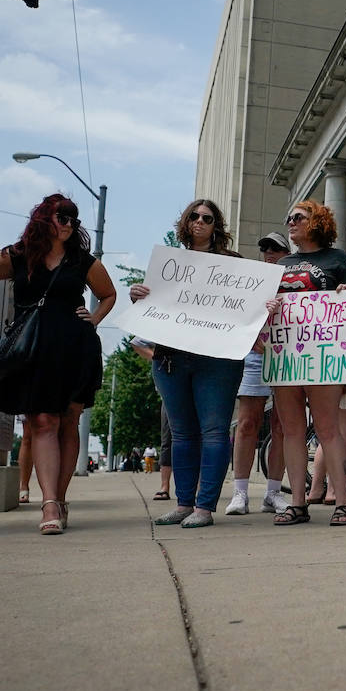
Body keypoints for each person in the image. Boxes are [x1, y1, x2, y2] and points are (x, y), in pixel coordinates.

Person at [0, 194, 115, 536]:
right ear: (44, 218)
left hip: (74, 346)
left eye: (73, 218)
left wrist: (95, 318)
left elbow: (109, 293)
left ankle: (60, 497)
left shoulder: (83, 261)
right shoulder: (21, 254)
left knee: (68, 422)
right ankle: (50, 503)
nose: (68, 223)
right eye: (62, 216)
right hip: (33, 349)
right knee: (42, 420)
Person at [130, 199, 244, 529]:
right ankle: (183, 504)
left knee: (213, 431)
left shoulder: (233, 265)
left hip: (217, 361)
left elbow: (246, 311)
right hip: (171, 359)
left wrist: (263, 305)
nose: (200, 221)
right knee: (181, 434)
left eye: (207, 218)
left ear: (216, 225)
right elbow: (154, 309)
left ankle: (204, 507)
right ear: (185, 221)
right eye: (194, 216)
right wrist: (138, 296)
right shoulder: (169, 264)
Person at [267, 200, 346, 527]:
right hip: (284, 354)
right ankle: (297, 502)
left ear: (317, 222)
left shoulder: (336, 259)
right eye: (289, 217)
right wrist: (268, 305)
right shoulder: (282, 263)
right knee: (291, 429)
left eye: (299, 218)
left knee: (327, 428)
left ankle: (343, 502)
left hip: (323, 355)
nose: (291, 222)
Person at [225, 232, 291, 517]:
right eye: (264, 248)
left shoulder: (296, 283)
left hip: (289, 355)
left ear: (287, 253)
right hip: (254, 356)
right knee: (247, 423)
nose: (269, 252)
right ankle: (240, 492)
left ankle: (273, 492)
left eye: (276, 248)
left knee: (283, 426)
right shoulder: (252, 282)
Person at [131, 339, 173, 500]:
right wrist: (157, 357)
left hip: (196, 387)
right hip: (170, 391)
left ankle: (197, 487)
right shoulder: (163, 324)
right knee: (167, 439)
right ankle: (165, 485)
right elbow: (136, 342)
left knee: (197, 439)